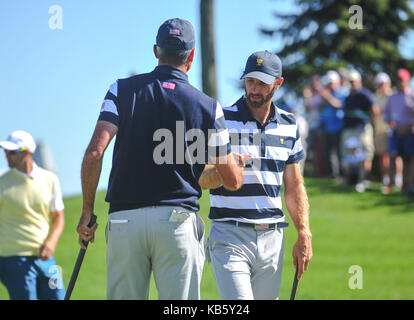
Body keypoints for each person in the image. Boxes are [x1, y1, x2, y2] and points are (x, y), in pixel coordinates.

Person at [76, 18, 244, 300]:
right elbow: (231, 180)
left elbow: (95, 152)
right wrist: (234, 167)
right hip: (177, 222)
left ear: (156, 51)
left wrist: (86, 210)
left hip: (124, 221)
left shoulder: (121, 90)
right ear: (191, 56)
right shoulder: (209, 107)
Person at [199, 51, 313, 300]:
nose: (254, 88)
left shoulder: (289, 124)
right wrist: (225, 170)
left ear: (278, 83)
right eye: (250, 81)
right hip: (230, 235)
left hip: (273, 239)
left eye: (262, 82)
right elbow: (201, 178)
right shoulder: (221, 119)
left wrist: (303, 232)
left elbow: (293, 186)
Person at [0, 130, 65, 300]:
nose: (6, 155)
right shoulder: (2, 182)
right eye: (5, 151)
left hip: (46, 258)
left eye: (12, 152)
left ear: (27, 152)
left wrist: (51, 242)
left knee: (60, 296)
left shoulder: (50, 179)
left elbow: (58, 217)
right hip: (13, 260)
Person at [341, 70, 375, 193]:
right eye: (350, 82)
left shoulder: (365, 94)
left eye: (353, 81)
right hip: (349, 128)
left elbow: (373, 110)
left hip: (362, 128)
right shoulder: (348, 96)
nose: (352, 84)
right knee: (348, 156)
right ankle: (348, 180)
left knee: (364, 156)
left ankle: (362, 181)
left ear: (359, 81)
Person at [384, 68, 414, 195]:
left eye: (403, 80)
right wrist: (394, 125)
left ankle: (408, 184)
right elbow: (386, 115)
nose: (401, 82)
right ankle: (391, 184)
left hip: (409, 132)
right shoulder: (393, 97)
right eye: (399, 80)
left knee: (409, 159)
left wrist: (407, 127)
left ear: (407, 80)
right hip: (396, 132)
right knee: (393, 157)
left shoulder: (412, 95)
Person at [319, 70, 345, 179]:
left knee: (339, 152)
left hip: (339, 127)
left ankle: (342, 174)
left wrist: (328, 97)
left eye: (332, 83)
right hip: (327, 127)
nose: (330, 86)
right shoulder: (326, 95)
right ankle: (332, 174)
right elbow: (320, 108)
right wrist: (325, 98)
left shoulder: (342, 93)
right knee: (328, 153)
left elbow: (338, 105)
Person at [372, 72, 394, 194]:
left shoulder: (392, 95)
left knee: (394, 157)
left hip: (390, 130)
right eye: (379, 84)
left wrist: (380, 111)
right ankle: (386, 181)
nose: (381, 86)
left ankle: (397, 180)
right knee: (383, 156)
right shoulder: (375, 97)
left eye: (383, 84)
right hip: (379, 130)